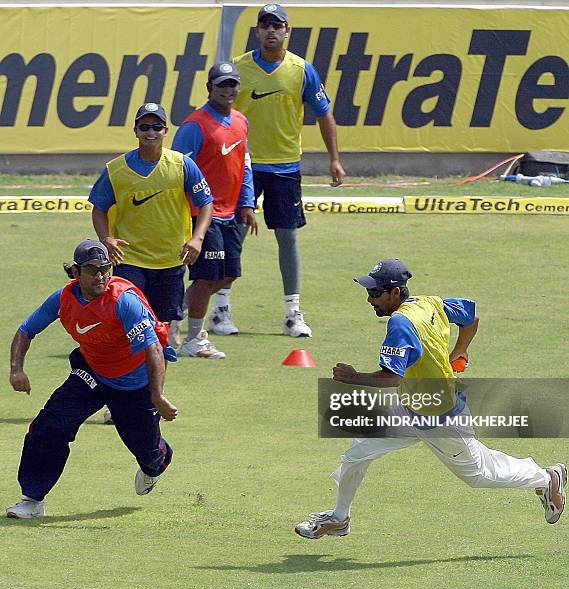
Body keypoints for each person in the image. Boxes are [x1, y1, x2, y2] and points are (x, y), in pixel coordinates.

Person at [295, 258, 566, 538]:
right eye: (368, 292)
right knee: (357, 452)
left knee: (480, 474)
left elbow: (392, 377)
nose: (369, 299)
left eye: (375, 293)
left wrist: (352, 377)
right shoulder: (429, 303)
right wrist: (460, 351)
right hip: (409, 406)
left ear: (396, 293)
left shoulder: (400, 323)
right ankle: (340, 518)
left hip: (440, 415)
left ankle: (547, 478)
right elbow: (471, 317)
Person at [7, 240, 178, 519]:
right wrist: (17, 369)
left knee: (149, 454)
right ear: (75, 272)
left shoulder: (124, 301)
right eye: (92, 270)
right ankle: (32, 499)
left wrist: (157, 396)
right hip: (92, 372)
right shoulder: (63, 299)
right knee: (49, 425)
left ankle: (157, 461)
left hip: (134, 384)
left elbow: (153, 348)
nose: (100, 276)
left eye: (105, 269)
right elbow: (26, 330)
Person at [226, 3, 346, 338]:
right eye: (264, 25)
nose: (271, 31)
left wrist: (334, 159)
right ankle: (221, 309)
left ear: (287, 31)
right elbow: (221, 116)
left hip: (285, 167)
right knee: (233, 235)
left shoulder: (302, 70)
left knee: (287, 237)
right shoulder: (237, 68)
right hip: (244, 166)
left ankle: (293, 313)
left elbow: (324, 114)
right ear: (257, 31)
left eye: (277, 25)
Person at [89, 102, 213, 335]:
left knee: (162, 332)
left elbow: (206, 202)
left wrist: (197, 238)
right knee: (130, 327)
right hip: (130, 260)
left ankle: (157, 373)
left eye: (157, 127)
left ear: (166, 131)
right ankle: (128, 372)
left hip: (171, 260)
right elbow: (99, 208)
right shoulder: (116, 169)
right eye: (144, 127)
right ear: (135, 131)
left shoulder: (182, 164)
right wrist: (106, 239)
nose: (151, 133)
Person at [171, 61, 256, 358]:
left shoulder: (241, 122)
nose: (228, 90)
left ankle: (170, 318)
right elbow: (177, 170)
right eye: (222, 85)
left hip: (231, 213)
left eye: (232, 84)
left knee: (227, 275)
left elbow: (244, 166)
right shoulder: (194, 126)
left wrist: (247, 203)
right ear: (209, 88)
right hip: (202, 214)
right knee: (206, 278)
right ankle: (194, 338)